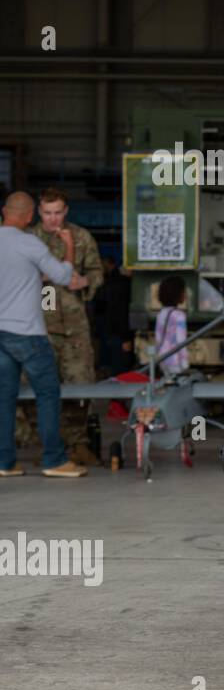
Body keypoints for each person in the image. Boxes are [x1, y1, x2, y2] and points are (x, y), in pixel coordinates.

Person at [0, 191, 90, 479]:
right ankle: (54, 459)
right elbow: (63, 276)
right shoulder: (30, 243)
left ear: (4, 212)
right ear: (30, 216)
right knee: (48, 394)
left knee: (4, 398)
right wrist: (69, 246)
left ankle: (5, 462)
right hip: (28, 333)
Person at [26, 188, 103, 466]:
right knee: (37, 388)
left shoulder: (81, 237)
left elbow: (97, 271)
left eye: (58, 212)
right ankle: (47, 446)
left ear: (66, 211)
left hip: (74, 327)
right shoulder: (28, 239)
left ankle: (78, 444)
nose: (53, 219)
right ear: (39, 211)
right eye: (48, 213)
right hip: (38, 327)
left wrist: (85, 281)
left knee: (80, 385)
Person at [154, 275, 190, 376]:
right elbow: (181, 342)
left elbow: (158, 339)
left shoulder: (161, 314)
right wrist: (185, 364)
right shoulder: (179, 316)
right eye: (183, 291)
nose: (185, 295)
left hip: (162, 360)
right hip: (176, 361)